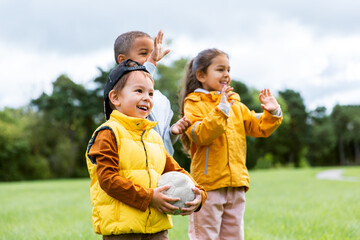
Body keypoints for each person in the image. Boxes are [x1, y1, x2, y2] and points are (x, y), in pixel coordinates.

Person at [85, 59, 207, 240]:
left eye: (151, 93)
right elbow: (108, 179)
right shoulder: (108, 133)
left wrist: (199, 194)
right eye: (139, 91)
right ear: (115, 98)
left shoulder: (153, 137)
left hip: (157, 227)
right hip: (123, 231)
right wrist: (149, 197)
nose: (147, 98)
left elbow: (176, 170)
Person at [179, 48, 283, 240]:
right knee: (205, 237)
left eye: (228, 69)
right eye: (220, 69)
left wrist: (273, 112)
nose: (226, 74)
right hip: (208, 188)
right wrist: (222, 109)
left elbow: (258, 126)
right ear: (201, 75)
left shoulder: (236, 105)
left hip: (236, 185)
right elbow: (200, 134)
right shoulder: (194, 103)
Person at [113, 30, 191, 156]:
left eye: (152, 53)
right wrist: (151, 63)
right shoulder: (122, 94)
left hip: (159, 168)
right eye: (144, 53)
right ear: (123, 60)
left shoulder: (161, 100)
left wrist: (172, 132)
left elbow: (161, 143)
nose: (151, 57)